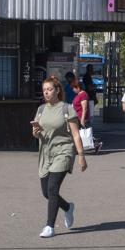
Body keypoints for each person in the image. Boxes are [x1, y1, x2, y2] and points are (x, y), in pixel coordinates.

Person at [31, 76, 88, 238]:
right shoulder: (41, 110)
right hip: (45, 153)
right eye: (44, 90)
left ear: (57, 90)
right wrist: (35, 132)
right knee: (46, 192)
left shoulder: (67, 109)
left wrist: (81, 156)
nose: (46, 93)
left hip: (64, 152)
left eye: (49, 89)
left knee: (52, 188)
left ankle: (50, 226)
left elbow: (76, 135)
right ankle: (68, 208)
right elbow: (37, 132)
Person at [68, 72, 100, 155]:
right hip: (77, 117)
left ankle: (96, 144)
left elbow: (85, 108)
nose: (73, 90)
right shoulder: (79, 95)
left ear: (78, 87)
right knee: (81, 133)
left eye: (74, 88)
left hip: (82, 118)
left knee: (85, 133)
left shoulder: (83, 95)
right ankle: (80, 148)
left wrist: (82, 119)